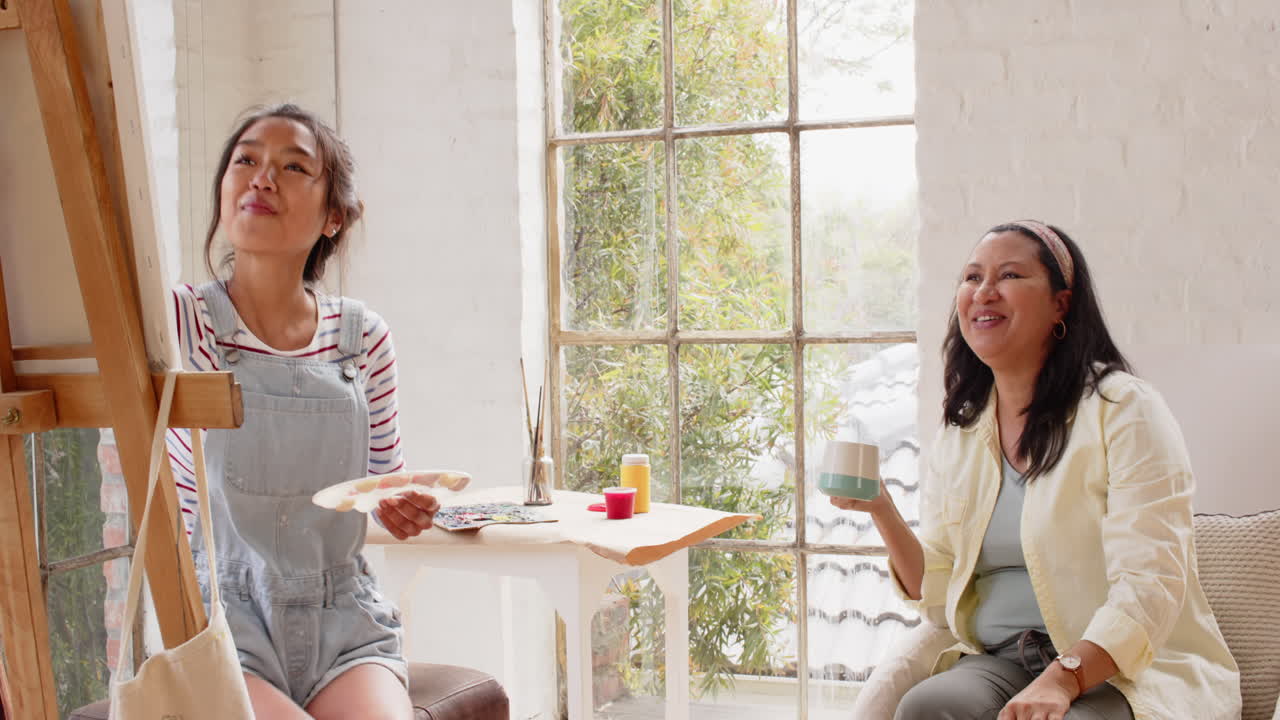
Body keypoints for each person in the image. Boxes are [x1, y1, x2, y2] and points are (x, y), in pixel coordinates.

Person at [832, 221, 1240, 720]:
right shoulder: (961, 434)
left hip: (1124, 671)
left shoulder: (1124, 410)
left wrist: (1062, 680)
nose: (984, 291)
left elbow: (1150, 582)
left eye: (1009, 276)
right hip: (1001, 662)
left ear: (1060, 305)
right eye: (972, 277)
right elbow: (937, 597)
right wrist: (882, 508)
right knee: (926, 707)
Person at [166, 104, 438, 719]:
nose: (263, 178)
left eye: (293, 167)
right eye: (246, 160)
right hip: (216, 621)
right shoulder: (182, 320)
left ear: (334, 216)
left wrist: (401, 506)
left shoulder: (362, 337)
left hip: (342, 618)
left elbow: (381, 489)